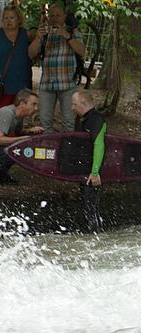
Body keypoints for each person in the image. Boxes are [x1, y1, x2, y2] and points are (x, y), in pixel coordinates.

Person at [28, 2, 85, 132]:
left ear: (64, 16)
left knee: (68, 123)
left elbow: (82, 51)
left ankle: (66, 145)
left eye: (58, 15)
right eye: (52, 15)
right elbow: (30, 54)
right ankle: (48, 144)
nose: (54, 18)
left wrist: (68, 36)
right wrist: (38, 37)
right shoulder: (44, 32)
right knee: (44, 123)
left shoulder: (72, 31)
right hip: (47, 84)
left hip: (67, 84)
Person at [71, 89, 106, 232]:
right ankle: (92, 235)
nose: (72, 108)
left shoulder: (96, 119)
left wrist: (95, 173)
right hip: (84, 169)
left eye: (74, 104)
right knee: (87, 207)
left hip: (93, 172)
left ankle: (95, 236)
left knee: (90, 208)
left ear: (84, 103)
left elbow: (99, 145)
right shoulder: (82, 118)